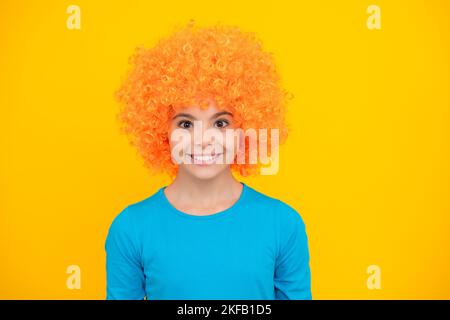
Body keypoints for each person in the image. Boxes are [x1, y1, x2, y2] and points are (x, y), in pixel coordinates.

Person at [105, 21, 312, 300]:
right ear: (161, 131)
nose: (203, 140)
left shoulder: (283, 224)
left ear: (244, 130)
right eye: (186, 124)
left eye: (221, 123)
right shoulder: (131, 228)